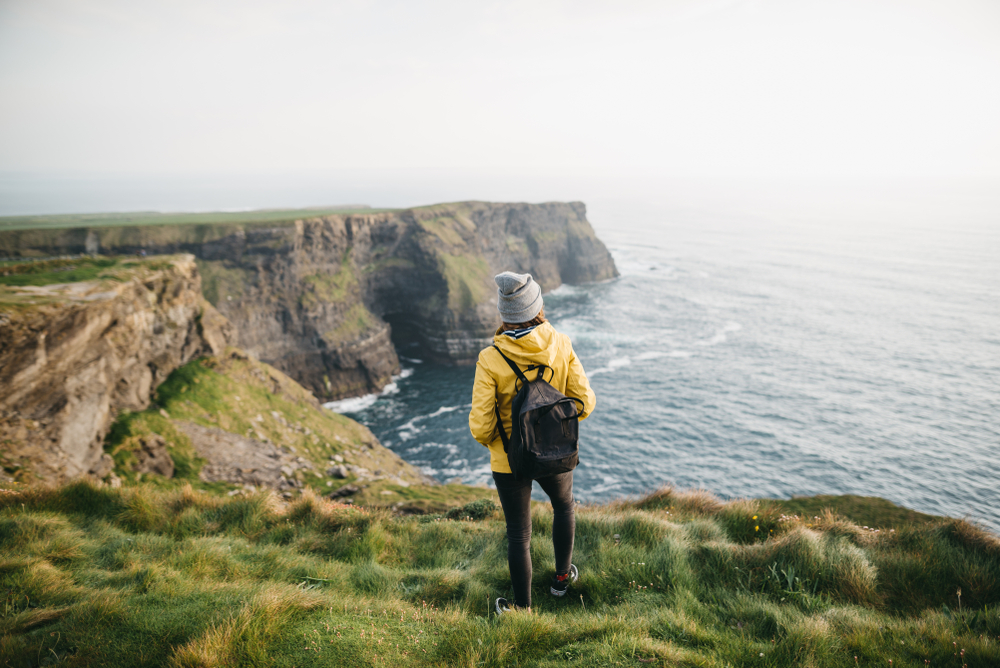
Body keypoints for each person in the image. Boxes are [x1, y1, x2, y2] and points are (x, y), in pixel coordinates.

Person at [469, 271, 596, 615]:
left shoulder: (491, 358)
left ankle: (523, 610)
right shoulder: (561, 342)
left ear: (504, 314)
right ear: (537, 305)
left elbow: (481, 427)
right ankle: (560, 581)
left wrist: (507, 444)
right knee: (565, 506)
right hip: (555, 450)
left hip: (509, 460)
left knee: (519, 536)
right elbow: (584, 402)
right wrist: (552, 429)